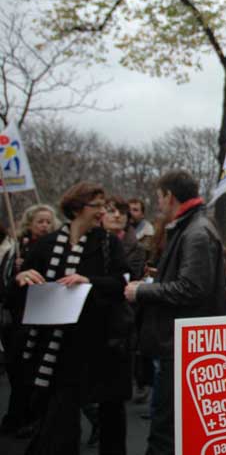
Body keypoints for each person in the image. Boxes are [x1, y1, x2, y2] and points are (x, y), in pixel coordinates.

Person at [14, 182, 131, 455]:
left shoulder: (108, 244)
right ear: (78, 209)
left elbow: (120, 283)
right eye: (97, 206)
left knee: (111, 415)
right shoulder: (47, 245)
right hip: (59, 347)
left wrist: (88, 281)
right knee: (60, 419)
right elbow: (17, 291)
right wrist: (21, 277)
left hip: (101, 344)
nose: (102, 212)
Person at [125, 169, 225, 455]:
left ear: (170, 196)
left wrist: (141, 291)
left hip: (180, 345)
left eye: (159, 197)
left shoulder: (195, 231)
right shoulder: (193, 227)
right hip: (177, 342)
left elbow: (193, 288)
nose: (157, 204)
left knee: (166, 428)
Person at [1, 204, 59, 437]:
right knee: (17, 369)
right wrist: (17, 274)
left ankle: (33, 419)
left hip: (44, 316)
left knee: (36, 372)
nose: (44, 226)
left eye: (48, 221)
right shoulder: (16, 249)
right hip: (18, 317)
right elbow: (6, 288)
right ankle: (16, 416)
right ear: (30, 224)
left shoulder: (57, 248)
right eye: (39, 221)